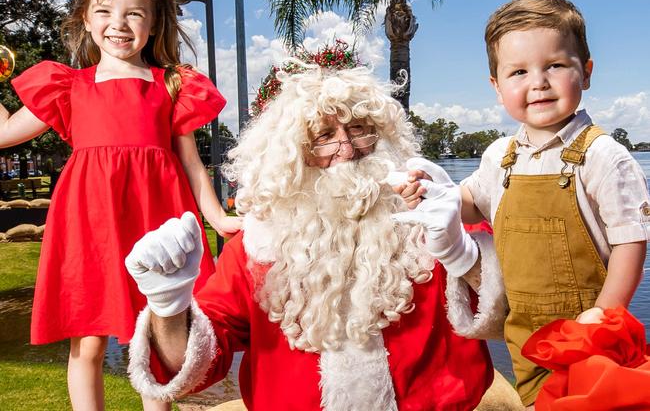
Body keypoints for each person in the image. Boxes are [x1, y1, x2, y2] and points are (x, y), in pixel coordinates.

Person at [125, 64, 506, 410]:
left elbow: (511, 316)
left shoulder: (435, 216)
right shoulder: (258, 244)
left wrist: (460, 252)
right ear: (293, 156)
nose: (346, 148)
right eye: (324, 135)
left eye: (358, 128)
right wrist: (168, 305)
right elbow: (193, 368)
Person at [0, 0, 241, 411]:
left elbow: (191, 164)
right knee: (86, 342)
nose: (119, 24)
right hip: (90, 222)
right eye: (106, 12)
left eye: (134, 13)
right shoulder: (67, 84)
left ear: (153, 23)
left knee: (153, 334)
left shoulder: (170, 84)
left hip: (156, 216)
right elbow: (6, 132)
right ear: (86, 20)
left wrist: (217, 217)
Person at [403, 0, 650, 409]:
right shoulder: (501, 156)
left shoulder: (602, 155)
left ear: (585, 72)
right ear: (497, 87)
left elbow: (631, 241)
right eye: (518, 71)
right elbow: (473, 202)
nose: (538, 81)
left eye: (555, 65)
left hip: (589, 336)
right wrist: (435, 193)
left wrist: (605, 314)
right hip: (524, 333)